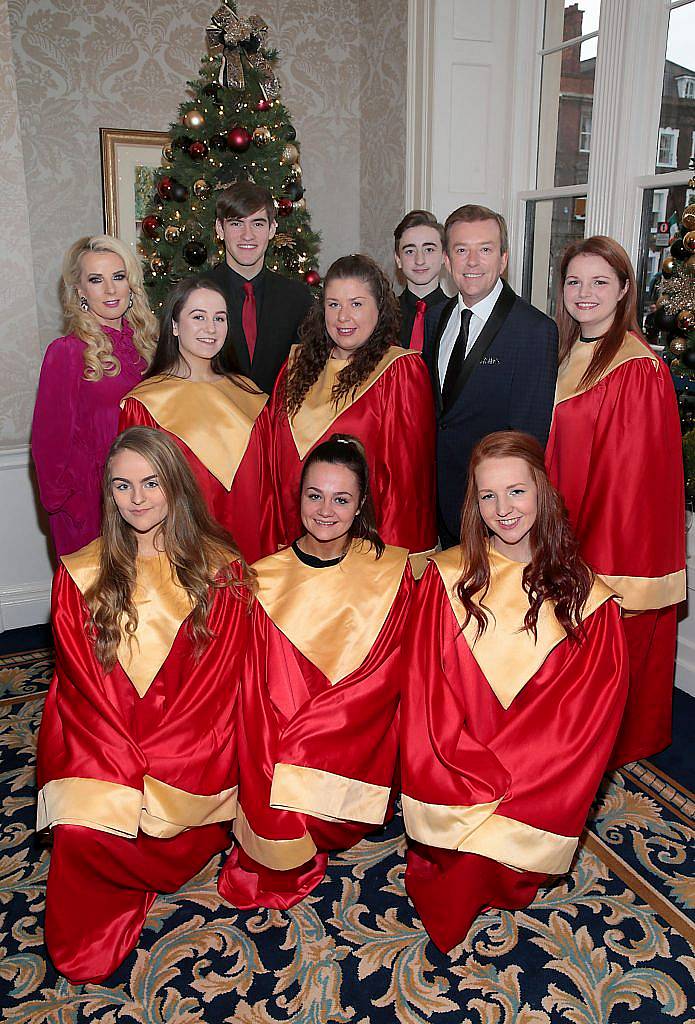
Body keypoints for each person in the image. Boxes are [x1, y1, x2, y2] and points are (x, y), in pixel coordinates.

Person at [36, 427, 255, 983]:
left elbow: (213, 693)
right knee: (83, 832)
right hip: (106, 746)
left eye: (151, 483)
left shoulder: (219, 571)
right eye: (122, 486)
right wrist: (122, 766)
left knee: (143, 820)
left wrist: (154, 766)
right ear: (107, 494)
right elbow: (84, 694)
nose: (137, 499)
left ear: (176, 487)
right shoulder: (78, 577)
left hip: (189, 754)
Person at [397, 431, 628, 954]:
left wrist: (508, 786)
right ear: (473, 504)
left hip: (534, 781)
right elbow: (427, 697)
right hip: (454, 770)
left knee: (485, 870)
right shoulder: (444, 580)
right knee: (454, 872)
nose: (503, 510)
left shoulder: (590, 602)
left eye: (516, 491)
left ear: (542, 492)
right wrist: (463, 775)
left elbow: (580, 729)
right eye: (487, 496)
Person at [217, 435, 413, 910]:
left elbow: (387, 677)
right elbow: (252, 692)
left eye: (341, 498)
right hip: (278, 742)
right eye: (315, 495)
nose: (326, 510)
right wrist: (283, 747)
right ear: (298, 495)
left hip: (355, 738)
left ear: (361, 503)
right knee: (275, 824)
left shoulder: (390, 571)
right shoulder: (261, 579)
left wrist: (316, 733)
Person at [546, 235, 686, 767]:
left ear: (625, 288)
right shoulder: (567, 352)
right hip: (560, 527)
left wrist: (584, 560)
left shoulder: (636, 368)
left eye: (600, 281)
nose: (585, 293)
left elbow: (629, 483)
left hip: (606, 545)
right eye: (575, 281)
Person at [268, 254, 437, 560]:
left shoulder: (399, 371)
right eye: (333, 305)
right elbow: (273, 466)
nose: (343, 317)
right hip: (294, 548)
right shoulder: (293, 368)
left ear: (379, 309)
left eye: (356, 304)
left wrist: (390, 568)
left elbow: (406, 488)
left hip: (363, 556)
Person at [423, 205, 558, 549]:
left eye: (485, 249)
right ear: (447, 261)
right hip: (439, 506)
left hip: (497, 517)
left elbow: (528, 439)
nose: (472, 262)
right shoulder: (434, 318)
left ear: (503, 260)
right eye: (461, 250)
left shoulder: (534, 330)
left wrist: (501, 510)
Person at [119, 277, 273, 564]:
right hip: (183, 555)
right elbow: (138, 499)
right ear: (175, 325)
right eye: (198, 316)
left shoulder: (251, 396)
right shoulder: (145, 405)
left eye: (220, 318)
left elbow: (268, 497)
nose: (211, 328)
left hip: (252, 549)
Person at [32, 235, 157, 557]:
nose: (111, 290)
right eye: (96, 280)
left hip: (151, 496)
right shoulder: (67, 352)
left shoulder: (150, 347)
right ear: (80, 291)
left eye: (118, 277)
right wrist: (70, 505)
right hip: (93, 503)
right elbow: (49, 443)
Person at [203, 181, 314, 394]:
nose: (248, 235)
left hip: (277, 421)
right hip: (213, 422)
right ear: (220, 228)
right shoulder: (196, 295)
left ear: (272, 229)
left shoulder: (298, 298)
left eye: (258, 224)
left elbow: (308, 374)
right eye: (236, 223)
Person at [394, 209, 448, 351]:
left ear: (444, 256)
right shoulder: (383, 316)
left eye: (429, 249)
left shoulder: (456, 315)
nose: (419, 260)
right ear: (398, 259)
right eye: (410, 251)